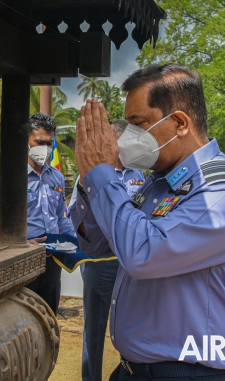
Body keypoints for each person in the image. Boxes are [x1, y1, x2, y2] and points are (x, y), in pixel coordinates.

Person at [72, 64, 225, 380]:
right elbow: (98, 243)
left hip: (189, 372)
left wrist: (102, 175)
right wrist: (89, 185)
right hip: (134, 369)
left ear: (180, 123)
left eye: (138, 123)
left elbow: (142, 254)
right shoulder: (158, 180)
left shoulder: (222, 189)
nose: (128, 137)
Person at [68, 119, 146, 381]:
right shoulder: (89, 174)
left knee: (135, 324)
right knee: (95, 328)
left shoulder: (139, 174)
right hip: (100, 262)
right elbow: (78, 222)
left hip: (132, 264)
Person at [0, 112, 75, 314]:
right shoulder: (7, 181)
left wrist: (73, 241)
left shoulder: (57, 179)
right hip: (21, 262)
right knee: (21, 318)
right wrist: (21, 245)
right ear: (25, 142)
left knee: (50, 318)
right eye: (39, 142)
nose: (45, 148)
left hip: (53, 261)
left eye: (50, 143)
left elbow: (61, 217)